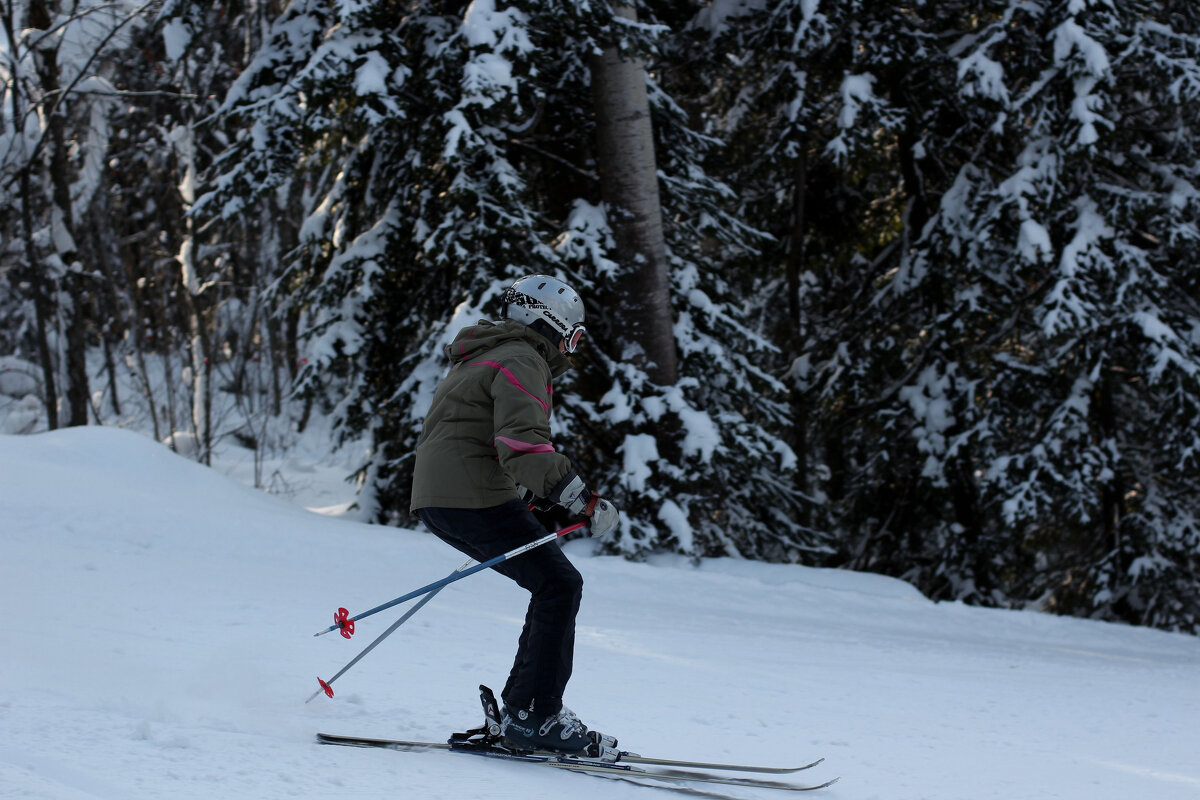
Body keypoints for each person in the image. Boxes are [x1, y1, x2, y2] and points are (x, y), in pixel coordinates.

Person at [410, 274, 620, 755]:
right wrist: (582, 499)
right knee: (559, 585)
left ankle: (527, 710)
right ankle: (533, 716)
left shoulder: (487, 353)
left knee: (550, 584)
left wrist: (532, 491)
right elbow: (522, 444)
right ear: (550, 323)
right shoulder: (523, 358)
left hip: (444, 496)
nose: (572, 347)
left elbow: (479, 436)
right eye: (573, 334)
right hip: (471, 496)